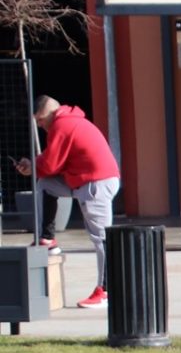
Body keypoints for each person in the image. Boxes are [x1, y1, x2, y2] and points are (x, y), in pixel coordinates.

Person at [12, 96, 121, 310]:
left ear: (49, 113)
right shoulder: (70, 120)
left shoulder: (61, 125)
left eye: (40, 120)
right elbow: (53, 163)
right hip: (87, 180)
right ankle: (47, 239)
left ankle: (106, 291)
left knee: (101, 239)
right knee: (46, 185)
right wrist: (34, 165)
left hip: (95, 183)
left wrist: (32, 166)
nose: (40, 126)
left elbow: (51, 165)